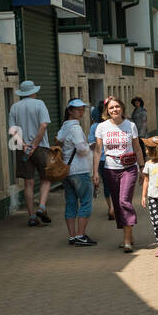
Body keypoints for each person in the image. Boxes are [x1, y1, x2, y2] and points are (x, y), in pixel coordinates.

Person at [91, 96, 144, 252]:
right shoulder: (102, 127)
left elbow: (138, 148)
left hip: (129, 168)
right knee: (117, 203)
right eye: (111, 108)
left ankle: (127, 241)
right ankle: (129, 234)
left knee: (124, 201)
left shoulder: (131, 125)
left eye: (117, 107)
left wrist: (142, 168)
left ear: (122, 108)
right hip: (110, 168)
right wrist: (95, 172)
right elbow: (97, 151)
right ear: (107, 111)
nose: (114, 110)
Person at [8, 79, 53, 226]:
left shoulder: (14, 107)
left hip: (22, 149)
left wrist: (24, 145)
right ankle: (41, 206)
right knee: (45, 178)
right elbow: (44, 125)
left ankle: (32, 216)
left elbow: (12, 131)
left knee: (28, 183)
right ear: (33, 92)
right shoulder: (40, 104)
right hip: (41, 147)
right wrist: (34, 145)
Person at [57, 98, 96, 247]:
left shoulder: (64, 128)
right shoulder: (75, 128)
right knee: (86, 202)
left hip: (66, 171)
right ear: (70, 111)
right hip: (80, 170)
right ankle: (80, 235)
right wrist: (89, 147)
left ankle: (72, 236)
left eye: (82, 109)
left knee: (71, 203)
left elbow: (60, 141)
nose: (81, 112)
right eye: (77, 109)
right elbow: (81, 148)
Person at [88, 101, 115, 221]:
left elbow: (91, 144)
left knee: (107, 186)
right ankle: (115, 207)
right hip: (115, 159)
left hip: (102, 160)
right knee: (117, 185)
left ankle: (111, 207)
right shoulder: (115, 124)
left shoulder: (95, 126)